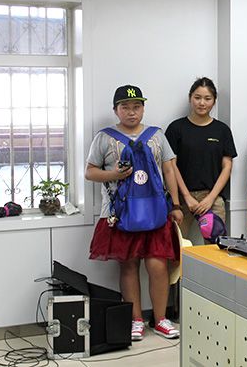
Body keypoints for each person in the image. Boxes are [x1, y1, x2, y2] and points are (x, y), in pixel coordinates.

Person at [85, 85, 183, 341]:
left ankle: (160, 319)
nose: (131, 112)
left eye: (137, 106)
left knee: (158, 265)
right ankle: (135, 320)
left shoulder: (157, 135)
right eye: (125, 107)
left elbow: (169, 170)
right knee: (128, 265)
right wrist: (114, 175)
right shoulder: (104, 137)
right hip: (120, 213)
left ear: (143, 108)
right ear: (115, 110)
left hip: (156, 212)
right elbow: (90, 172)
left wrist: (176, 205)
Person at [165, 77, 237, 243]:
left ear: (214, 101)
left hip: (212, 197)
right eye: (197, 98)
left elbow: (227, 166)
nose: (202, 103)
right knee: (177, 247)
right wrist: (187, 196)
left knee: (215, 248)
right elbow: (171, 165)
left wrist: (211, 198)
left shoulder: (222, 130)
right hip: (181, 199)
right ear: (190, 98)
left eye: (207, 98)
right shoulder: (176, 128)